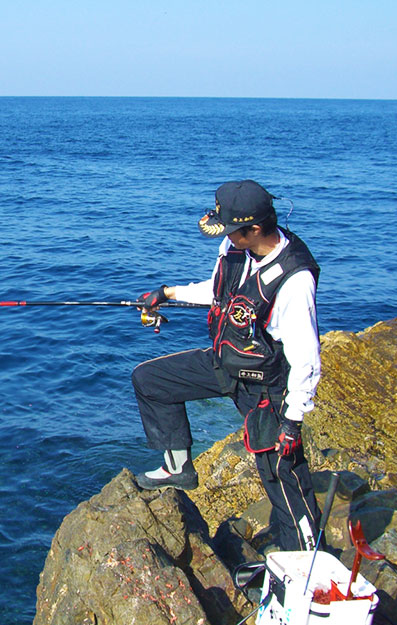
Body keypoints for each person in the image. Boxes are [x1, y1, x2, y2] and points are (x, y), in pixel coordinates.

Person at [131, 179, 322, 551]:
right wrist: (168, 294)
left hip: (267, 386)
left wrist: (292, 422)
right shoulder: (234, 247)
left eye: (232, 230)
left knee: (281, 474)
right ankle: (178, 467)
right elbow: (220, 291)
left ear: (253, 229)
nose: (226, 236)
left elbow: (307, 360)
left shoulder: (295, 281)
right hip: (225, 361)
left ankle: (306, 554)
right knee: (150, 380)